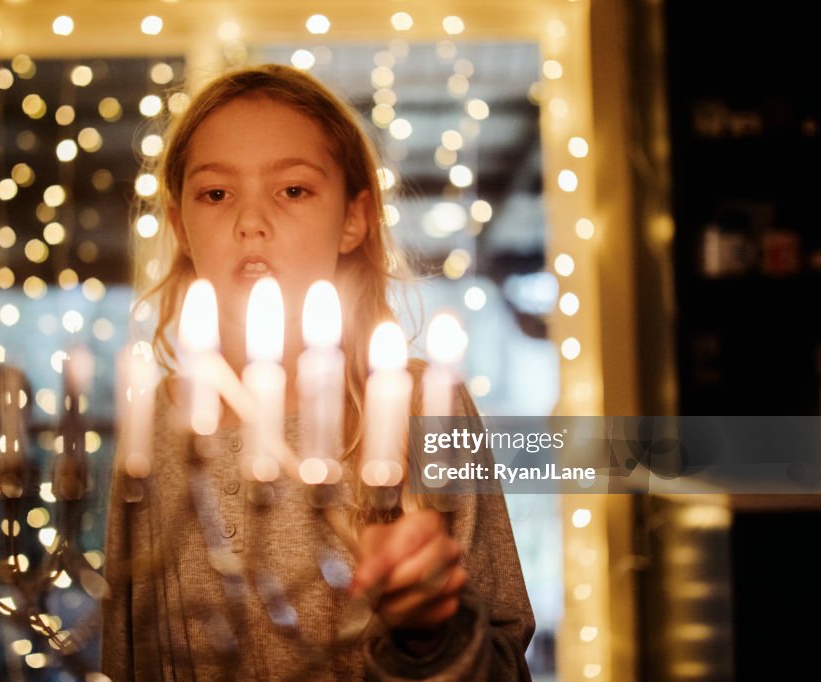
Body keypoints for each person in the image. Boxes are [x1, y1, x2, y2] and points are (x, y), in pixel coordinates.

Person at [102, 64, 534, 680]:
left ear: (354, 219)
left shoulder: (418, 405)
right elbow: (126, 651)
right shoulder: (158, 420)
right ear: (180, 228)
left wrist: (429, 631)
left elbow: (503, 661)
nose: (251, 221)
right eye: (216, 194)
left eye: (293, 190)